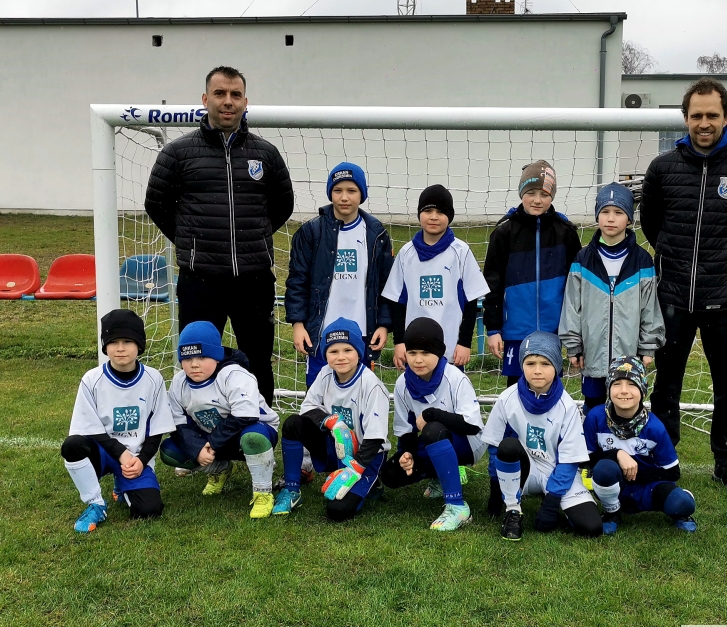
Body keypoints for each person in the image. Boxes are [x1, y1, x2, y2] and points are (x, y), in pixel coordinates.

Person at [639, 77, 727, 494]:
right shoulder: (662, 168)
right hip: (672, 297)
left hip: (725, 299)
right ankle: (664, 459)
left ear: (726, 117)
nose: (704, 123)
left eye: (712, 115)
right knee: (666, 385)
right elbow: (652, 225)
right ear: (685, 118)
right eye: (696, 115)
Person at [144, 65, 294, 406]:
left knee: (257, 361)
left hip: (254, 280)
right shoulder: (177, 153)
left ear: (245, 102)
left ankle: (258, 428)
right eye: (220, 93)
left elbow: (282, 205)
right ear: (205, 99)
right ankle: (201, 432)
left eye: (235, 95)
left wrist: (251, 239)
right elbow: (156, 204)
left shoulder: (265, 154)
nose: (228, 101)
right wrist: (193, 243)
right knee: (197, 362)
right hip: (200, 281)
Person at [481, 332, 602, 541]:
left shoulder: (567, 406)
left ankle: (551, 496)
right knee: (508, 446)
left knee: (591, 527)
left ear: (557, 366)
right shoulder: (507, 398)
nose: (537, 370)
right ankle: (513, 510)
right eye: (530, 363)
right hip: (523, 471)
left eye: (545, 363)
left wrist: (552, 502)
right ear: (522, 365)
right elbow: (495, 448)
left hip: (556, 470)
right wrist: (495, 487)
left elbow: (569, 459)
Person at [62, 309, 175, 532]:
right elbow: (88, 427)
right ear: (105, 346)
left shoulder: (154, 379)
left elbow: (157, 429)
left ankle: (122, 485)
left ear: (139, 345)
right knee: (72, 445)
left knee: (149, 510)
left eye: (127, 341)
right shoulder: (92, 379)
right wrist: (121, 454)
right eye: (113, 342)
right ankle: (96, 504)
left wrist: (141, 460)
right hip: (103, 452)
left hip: (136, 457)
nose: (120, 348)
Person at [285, 162, 394, 386]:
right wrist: (298, 324)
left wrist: (383, 325)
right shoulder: (311, 232)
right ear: (330, 193)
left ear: (362, 194)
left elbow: (386, 285)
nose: (344, 197)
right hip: (320, 333)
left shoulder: (376, 234)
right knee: (319, 395)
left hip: (362, 333)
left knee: (358, 393)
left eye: (351, 190)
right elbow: (297, 281)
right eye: (338, 190)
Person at [158, 321, 281, 519]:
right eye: (187, 358)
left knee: (253, 438)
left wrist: (213, 443)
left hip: (251, 431)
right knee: (170, 451)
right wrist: (197, 448)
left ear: (217, 355)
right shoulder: (179, 382)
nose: (194, 364)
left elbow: (245, 416)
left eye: (202, 357)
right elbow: (178, 423)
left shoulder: (234, 375)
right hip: (212, 438)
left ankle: (262, 492)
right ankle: (219, 469)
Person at [559, 182, 664, 412]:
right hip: (592, 355)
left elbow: (650, 308)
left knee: (626, 406)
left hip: (629, 355)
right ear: (597, 215)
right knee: (594, 407)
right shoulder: (583, 259)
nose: (611, 218)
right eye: (605, 211)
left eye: (618, 212)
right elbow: (572, 306)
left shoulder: (642, 261)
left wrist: (647, 347)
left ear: (629, 219)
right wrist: (574, 346)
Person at [276, 318, 391, 521]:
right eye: (333, 351)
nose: (341, 357)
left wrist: (355, 468)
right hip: (336, 445)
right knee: (293, 424)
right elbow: (307, 408)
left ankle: (372, 482)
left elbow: (375, 437)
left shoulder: (372, 385)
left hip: (367, 454)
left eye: (348, 350)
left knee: (337, 511)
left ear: (358, 352)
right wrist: (333, 422)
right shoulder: (325, 373)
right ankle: (292, 490)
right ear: (326, 354)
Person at [380, 318, 485, 531]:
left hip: (469, 444)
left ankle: (457, 506)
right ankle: (439, 478)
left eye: (426, 353)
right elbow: (406, 431)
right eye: (412, 353)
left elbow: (472, 426)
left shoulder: (455, 378)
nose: (418, 360)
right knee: (390, 474)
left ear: (439, 352)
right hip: (434, 439)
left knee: (432, 430)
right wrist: (407, 454)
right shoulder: (402, 384)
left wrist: (431, 414)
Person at [483, 160, 581, 385]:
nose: (537, 200)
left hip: (552, 331)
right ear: (521, 193)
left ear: (552, 196)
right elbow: (492, 284)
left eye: (544, 194)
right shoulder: (504, 233)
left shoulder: (566, 233)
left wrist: (574, 331)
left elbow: (577, 287)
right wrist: (494, 329)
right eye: (531, 193)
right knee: (516, 391)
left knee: (548, 388)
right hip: (515, 330)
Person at [583, 356, 697, 535]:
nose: (624, 391)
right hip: (614, 484)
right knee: (605, 468)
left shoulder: (654, 427)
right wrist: (616, 454)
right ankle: (612, 513)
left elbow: (673, 472)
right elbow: (585, 458)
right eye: (616, 384)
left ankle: (681, 504)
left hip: (647, 486)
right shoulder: (595, 418)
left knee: (682, 504)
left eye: (632, 384)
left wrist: (634, 474)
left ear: (643, 389)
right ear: (608, 388)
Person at [381, 184, 489, 370]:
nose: (433, 217)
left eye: (440, 212)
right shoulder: (406, 253)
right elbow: (398, 302)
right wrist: (399, 342)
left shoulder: (461, 252)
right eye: (428, 211)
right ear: (419, 214)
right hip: (415, 351)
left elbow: (471, 301)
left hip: (450, 348)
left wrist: (464, 343)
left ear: (450, 216)